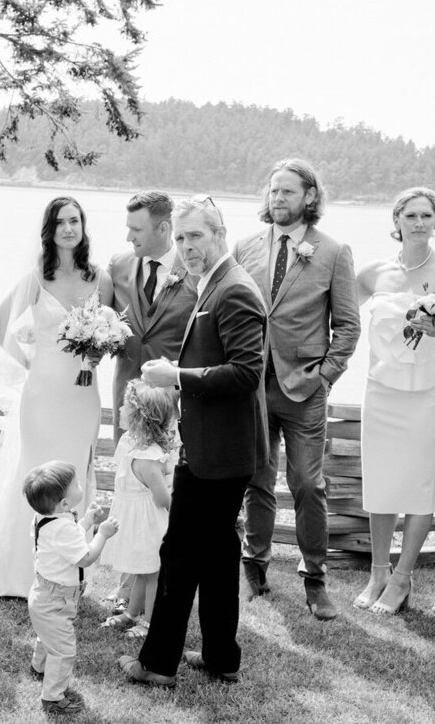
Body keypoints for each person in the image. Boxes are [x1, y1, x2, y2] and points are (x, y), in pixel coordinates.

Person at [119, 196, 267, 687]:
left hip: (219, 454)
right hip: (216, 447)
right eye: (180, 238)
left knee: (179, 553)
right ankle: (222, 657)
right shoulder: (214, 284)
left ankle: (157, 663)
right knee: (220, 555)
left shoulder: (235, 290)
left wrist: (175, 376)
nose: (186, 247)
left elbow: (247, 372)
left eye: (195, 236)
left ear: (220, 232)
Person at [0, 196, 113, 598]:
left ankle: (68, 574)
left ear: (84, 227)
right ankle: (18, 572)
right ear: (50, 230)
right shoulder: (37, 277)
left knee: (74, 476)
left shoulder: (100, 279)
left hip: (82, 393)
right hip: (42, 391)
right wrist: (29, 355)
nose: (69, 228)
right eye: (61, 222)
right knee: (34, 471)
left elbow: (114, 329)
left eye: (75, 221)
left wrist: (100, 349)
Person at [234, 158, 360, 618]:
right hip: (252, 387)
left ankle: (315, 578)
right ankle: (255, 567)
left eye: (287, 191)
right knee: (257, 481)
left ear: (310, 196)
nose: (278, 198)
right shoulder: (245, 246)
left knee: (309, 484)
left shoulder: (333, 250)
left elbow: (347, 327)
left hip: (305, 388)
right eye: (272, 191)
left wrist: (323, 376)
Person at [353, 188, 435, 615]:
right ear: (397, 219)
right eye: (411, 215)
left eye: (428, 215)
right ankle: (378, 571)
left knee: (420, 484)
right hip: (381, 387)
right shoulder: (373, 272)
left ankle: (403, 578)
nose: (420, 222)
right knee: (381, 481)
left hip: (427, 391)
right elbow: (341, 317)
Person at [105, 191, 197, 614]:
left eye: (137, 229)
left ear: (164, 229)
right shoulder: (119, 266)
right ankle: (127, 580)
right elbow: (106, 322)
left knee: (162, 486)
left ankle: (159, 577)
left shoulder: (194, 270)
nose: (129, 237)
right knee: (127, 485)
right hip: (128, 396)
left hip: (173, 402)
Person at [24, 461, 118, 716]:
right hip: (55, 599)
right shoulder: (62, 527)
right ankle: (52, 697)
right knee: (63, 649)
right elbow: (85, 556)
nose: (80, 486)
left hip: (45, 594)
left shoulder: (47, 518)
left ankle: (39, 668)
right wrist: (102, 534)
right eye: (75, 484)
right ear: (64, 504)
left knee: (48, 637)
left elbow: (70, 538)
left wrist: (86, 519)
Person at [98, 380, 177, 640]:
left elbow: (164, 498)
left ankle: (149, 622)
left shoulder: (148, 459)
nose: (120, 410)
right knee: (141, 570)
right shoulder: (132, 445)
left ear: (141, 417)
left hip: (149, 524)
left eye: (126, 407)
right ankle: (131, 613)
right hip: (135, 521)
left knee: (152, 573)